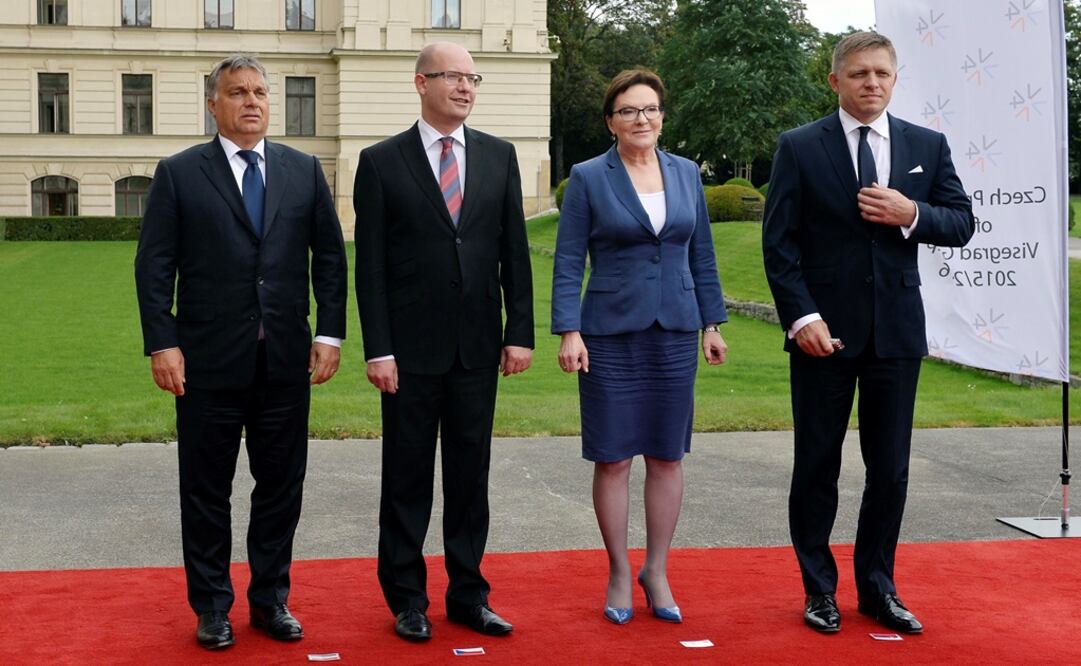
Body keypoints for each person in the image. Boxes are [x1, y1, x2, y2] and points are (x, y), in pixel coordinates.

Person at [762, 32, 974, 635]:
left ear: (895, 78)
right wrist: (801, 318)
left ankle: (879, 589)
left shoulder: (926, 146)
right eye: (858, 74)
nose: (871, 83)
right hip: (822, 337)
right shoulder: (799, 147)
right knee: (817, 466)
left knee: (891, 470)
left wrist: (913, 214)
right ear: (835, 81)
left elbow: (962, 222)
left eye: (881, 72)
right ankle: (819, 591)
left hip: (897, 335)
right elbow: (780, 246)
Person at [134, 54, 348, 650]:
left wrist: (329, 334)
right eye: (237, 92)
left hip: (284, 361)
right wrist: (163, 342)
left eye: (259, 92)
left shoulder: (303, 171)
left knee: (281, 487)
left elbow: (329, 260)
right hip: (206, 363)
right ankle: (211, 606)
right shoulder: (179, 174)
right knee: (206, 490)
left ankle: (270, 599)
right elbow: (154, 267)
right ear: (213, 104)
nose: (251, 101)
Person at [353, 42, 534, 642]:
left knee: (469, 479)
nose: (465, 87)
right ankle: (407, 598)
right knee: (405, 479)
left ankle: (468, 595)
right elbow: (370, 268)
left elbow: (514, 253)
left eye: (472, 77)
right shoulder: (380, 162)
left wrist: (520, 333)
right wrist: (377, 348)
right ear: (420, 83)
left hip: (479, 349)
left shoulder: (499, 156)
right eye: (452, 76)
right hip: (407, 354)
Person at [551, 68, 728, 626]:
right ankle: (620, 572)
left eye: (650, 109)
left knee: (667, 455)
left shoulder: (685, 174)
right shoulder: (587, 177)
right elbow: (567, 258)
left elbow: (701, 253)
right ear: (611, 121)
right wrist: (569, 330)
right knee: (612, 457)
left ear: (662, 116)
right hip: (607, 334)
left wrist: (712, 324)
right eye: (629, 110)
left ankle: (657, 569)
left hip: (675, 330)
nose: (641, 119)